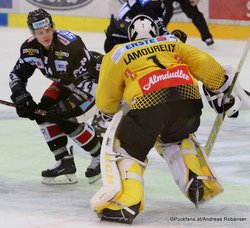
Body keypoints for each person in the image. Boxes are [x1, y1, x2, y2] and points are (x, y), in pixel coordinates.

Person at [90, 15, 241, 224]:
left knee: (127, 150)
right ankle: (195, 178)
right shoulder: (171, 42)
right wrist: (220, 87)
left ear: (130, 35)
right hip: (187, 99)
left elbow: (106, 101)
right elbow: (204, 64)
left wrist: (114, 109)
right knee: (176, 138)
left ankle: (127, 203)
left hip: (147, 101)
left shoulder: (118, 52)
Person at [9, 8, 103, 185]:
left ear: (52, 27)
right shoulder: (30, 49)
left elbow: (90, 80)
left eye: (47, 30)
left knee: (66, 118)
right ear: (33, 33)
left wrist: (67, 106)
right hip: (67, 83)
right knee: (41, 112)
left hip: (95, 82)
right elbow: (17, 75)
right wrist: (21, 96)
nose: (45, 36)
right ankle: (64, 162)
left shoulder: (71, 45)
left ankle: (100, 155)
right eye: (39, 32)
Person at [104, 0, 187, 53]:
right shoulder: (153, 4)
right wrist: (175, 39)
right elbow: (156, 29)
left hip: (114, 34)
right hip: (123, 41)